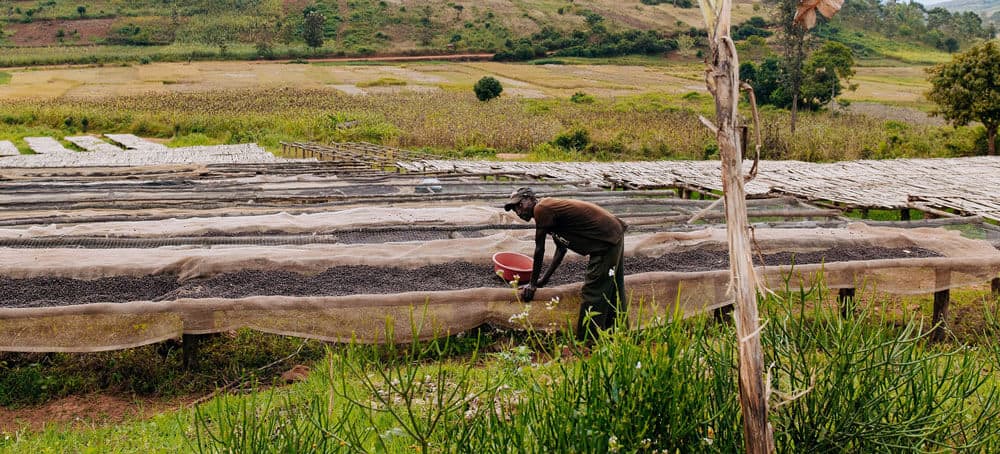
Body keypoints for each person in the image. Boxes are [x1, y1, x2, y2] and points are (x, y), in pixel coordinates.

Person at [503, 187, 627, 340]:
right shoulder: (550, 214)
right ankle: (618, 332)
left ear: (530, 199)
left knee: (593, 290)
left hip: (606, 240)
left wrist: (532, 284)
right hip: (610, 234)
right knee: (612, 285)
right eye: (515, 209)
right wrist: (543, 281)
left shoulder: (542, 209)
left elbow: (539, 249)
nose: (519, 211)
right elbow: (561, 250)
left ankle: (588, 340)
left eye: (520, 205)